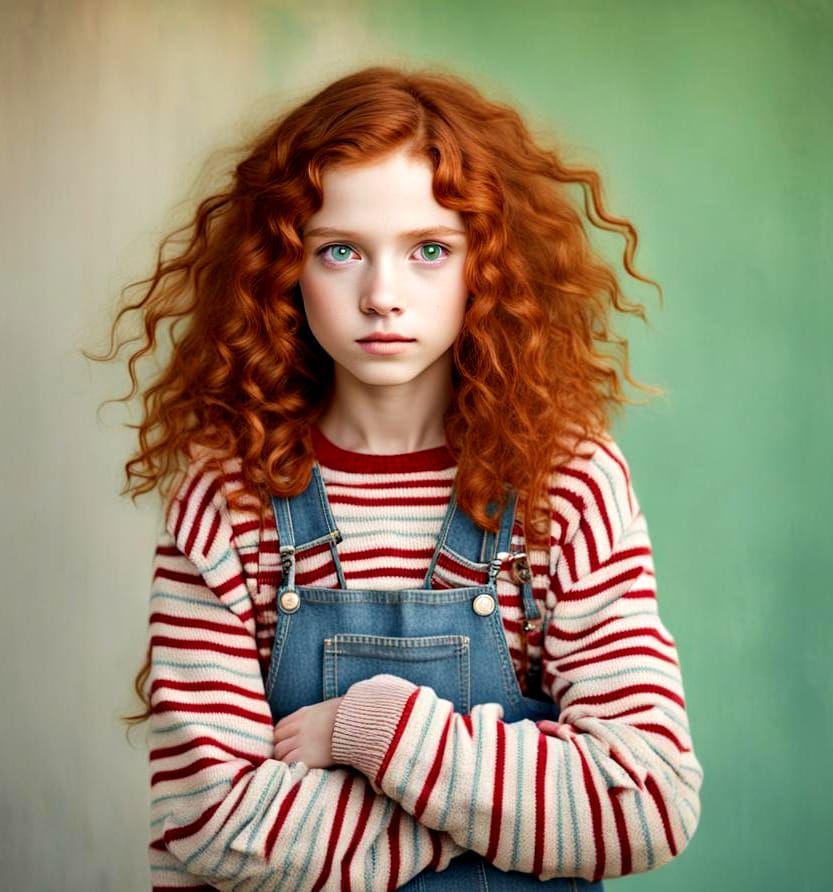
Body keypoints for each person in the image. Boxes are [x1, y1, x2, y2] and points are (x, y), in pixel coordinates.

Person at [98, 65, 703, 890]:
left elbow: (645, 801)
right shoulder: (225, 498)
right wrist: (508, 813)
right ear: (280, 268)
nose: (383, 295)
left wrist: (371, 731)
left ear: (485, 263)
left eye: (429, 250)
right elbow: (214, 828)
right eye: (340, 250)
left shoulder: (566, 482)